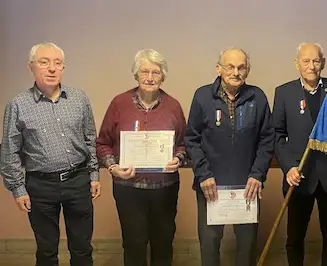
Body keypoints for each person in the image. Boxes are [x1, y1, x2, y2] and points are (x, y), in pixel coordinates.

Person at [0, 42, 101, 266]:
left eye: (57, 63)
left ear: (63, 68)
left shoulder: (79, 99)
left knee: (82, 248)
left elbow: (90, 139)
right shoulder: (18, 105)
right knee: (46, 251)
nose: (52, 68)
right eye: (44, 63)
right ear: (31, 67)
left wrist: (94, 175)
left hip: (78, 181)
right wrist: (18, 189)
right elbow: (9, 152)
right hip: (40, 186)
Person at [96, 49, 187, 266]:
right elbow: (102, 143)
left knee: (163, 243)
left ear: (163, 76)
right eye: (144, 71)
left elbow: (185, 143)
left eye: (156, 72)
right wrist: (112, 167)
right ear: (136, 75)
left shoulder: (173, 106)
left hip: (164, 189)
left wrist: (179, 158)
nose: (150, 77)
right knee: (134, 244)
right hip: (129, 189)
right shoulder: (119, 103)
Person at [185, 47, 274, 266]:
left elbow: (267, 140)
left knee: (247, 245)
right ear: (218, 69)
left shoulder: (258, 97)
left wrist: (257, 175)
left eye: (241, 67)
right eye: (230, 66)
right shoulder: (202, 96)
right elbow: (191, 139)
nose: (236, 72)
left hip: (247, 186)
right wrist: (203, 175)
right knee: (209, 244)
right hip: (210, 186)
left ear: (247, 70)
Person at [272, 43, 327, 266]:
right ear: (297, 64)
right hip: (298, 175)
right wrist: (288, 167)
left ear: (322, 63)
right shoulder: (284, 92)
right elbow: (277, 134)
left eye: (316, 61)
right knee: (294, 238)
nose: (311, 66)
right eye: (306, 61)